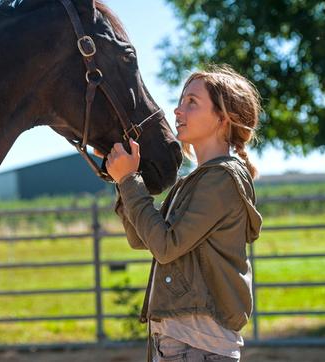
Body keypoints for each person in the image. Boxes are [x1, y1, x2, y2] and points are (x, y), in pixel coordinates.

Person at [97, 64, 263, 361]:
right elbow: (142, 238)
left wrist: (128, 181)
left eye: (192, 102)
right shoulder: (197, 181)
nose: (177, 110)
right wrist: (121, 178)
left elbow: (165, 246)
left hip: (196, 346)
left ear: (223, 118)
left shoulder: (221, 179)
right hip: (179, 342)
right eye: (181, 100)